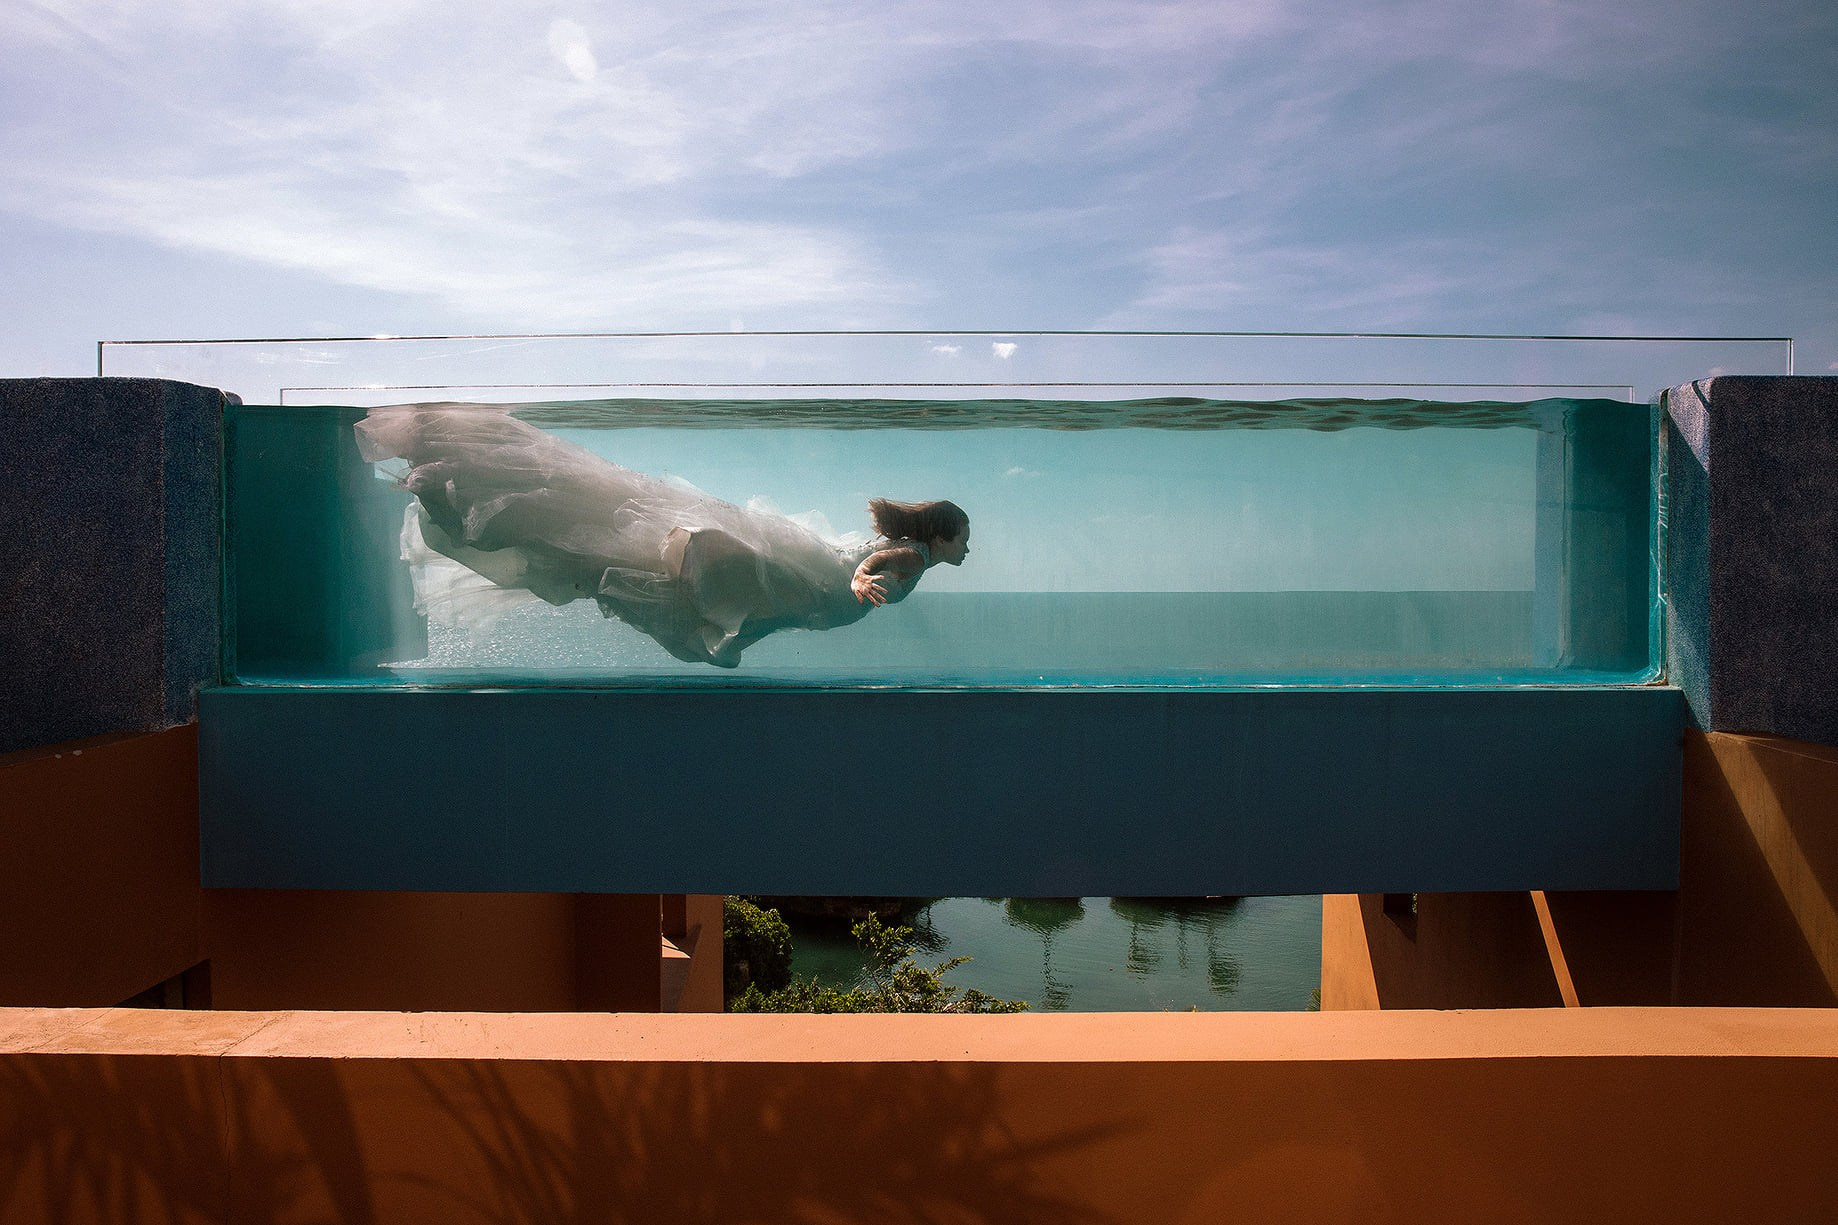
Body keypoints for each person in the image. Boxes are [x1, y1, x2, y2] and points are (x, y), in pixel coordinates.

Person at [354, 404, 969, 668]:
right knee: (686, 578)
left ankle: (562, 547)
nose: (967, 549)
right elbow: (877, 565)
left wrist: (861, 575)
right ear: (939, 537)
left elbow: (873, 562)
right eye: (963, 538)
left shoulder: (912, 555)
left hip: (797, 583)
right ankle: (566, 552)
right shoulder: (914, 557)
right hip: (803, 584)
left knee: (662, 563)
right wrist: (863, 579)